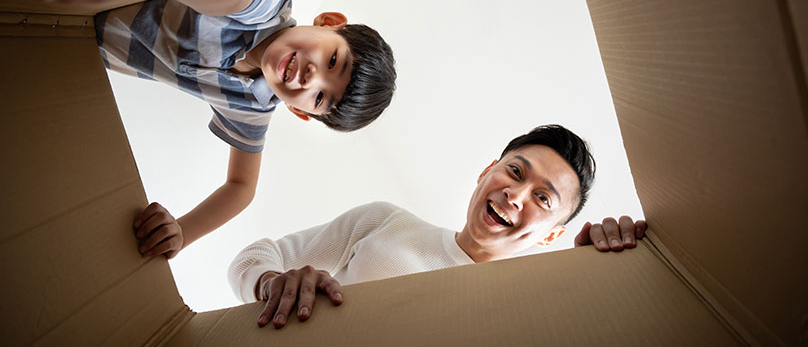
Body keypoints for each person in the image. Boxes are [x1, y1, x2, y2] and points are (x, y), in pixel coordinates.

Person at [31, 0, 396, 259]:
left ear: (301, 112)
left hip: (80, 44)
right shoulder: (272, 6)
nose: (311, 78)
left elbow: (242, 189)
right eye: (332, 62)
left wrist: (183, 233)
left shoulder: (253, 105)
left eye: (321, 99)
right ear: (329, 23)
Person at [228, 124, 647, 329]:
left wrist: (610, 275)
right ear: (486, 173)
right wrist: (271, 282)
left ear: (553, 234)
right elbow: (253, 258)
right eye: (515, 172)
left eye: (543, 198)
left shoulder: (532, 312)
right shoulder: (386, 221)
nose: (515, 196)